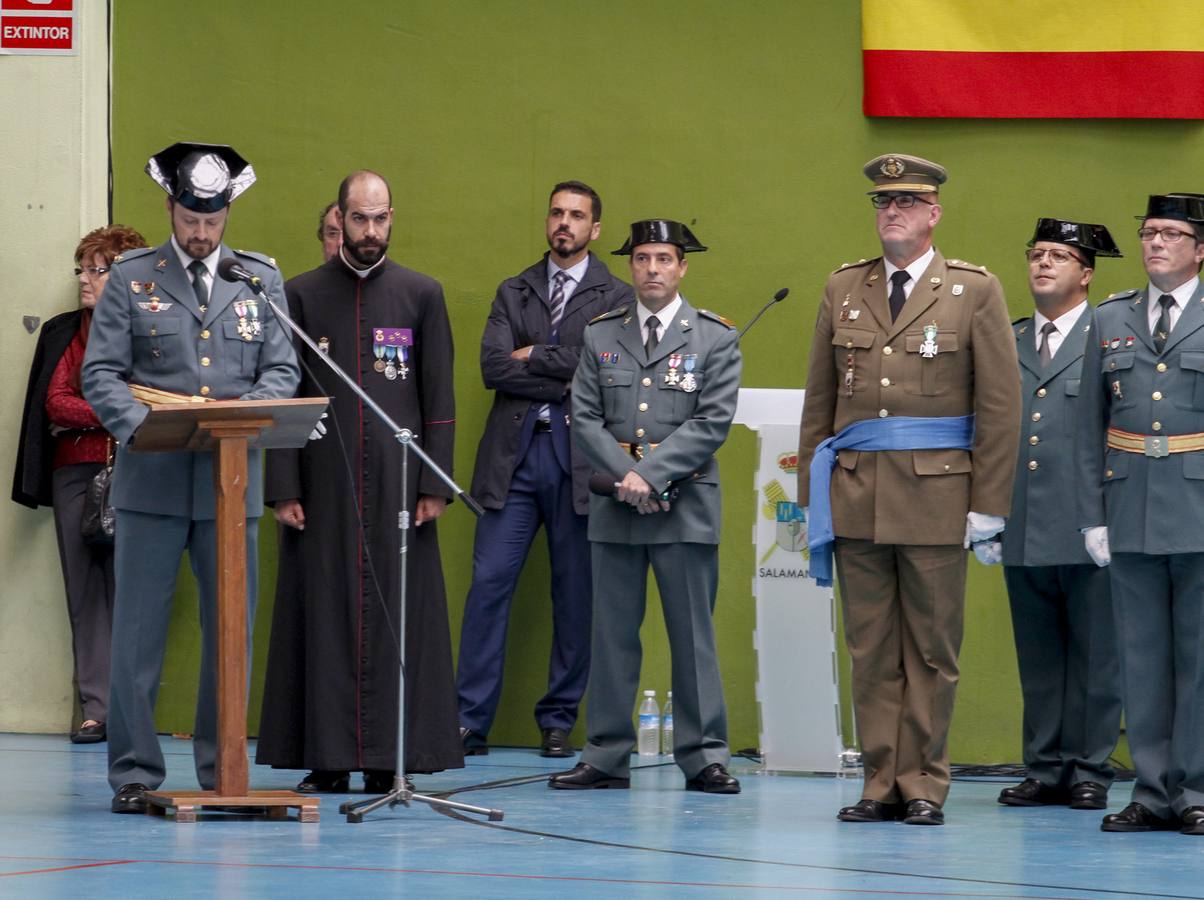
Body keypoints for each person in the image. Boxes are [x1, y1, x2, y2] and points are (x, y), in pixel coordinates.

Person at [797, 154, 1020, 826]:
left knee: (929, 648)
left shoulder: (973, 290)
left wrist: (989, 505)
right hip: (859, 493)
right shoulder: (843, 288)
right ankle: (879, 779)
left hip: (937, 496)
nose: (891, 212)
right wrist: (816, 498)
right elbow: (820, 401)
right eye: (882, 202)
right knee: (870, 649)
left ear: (933, 214)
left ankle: (923, 782)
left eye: (907, 202)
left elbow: (1001, 407)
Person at [81, 142, 299, 814]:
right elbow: (101, 375)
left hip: (230, 488)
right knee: (138, 637)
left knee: (230, 634)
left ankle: (221, 769)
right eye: (189, 218)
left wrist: (249, 407)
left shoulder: (257, 278)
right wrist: (140, 426)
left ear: (227, 211)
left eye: (212, 219)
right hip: (151, 480)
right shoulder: (131, 279)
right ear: (170, 207)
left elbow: (283, 370)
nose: (201, 233)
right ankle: (136, 772)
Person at [257, 170, 463, 793]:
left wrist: (436, 483)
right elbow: (281, 392)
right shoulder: (299, 296)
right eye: (358, 219)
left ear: (392, 218)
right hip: (322, 487)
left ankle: (387, 761)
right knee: (320, 612)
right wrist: (283, 485)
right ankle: (324, 758)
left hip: (402, 486)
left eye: (379, 219)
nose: (369, 231)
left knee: (399, 614)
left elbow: (439, 398)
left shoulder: (421, 294)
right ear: (339, 221)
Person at [549, 219, 743, 795]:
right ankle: (605, 754)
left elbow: (712, 423)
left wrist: (648, 475)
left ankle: (703, 755)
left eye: (663, 259)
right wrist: (627, 476)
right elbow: (582, 416)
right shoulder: (600, 334)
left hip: (684, 509)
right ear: (630, 267)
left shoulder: (714, 337)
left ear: (683, 268)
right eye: (642, 259)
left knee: (692, 636)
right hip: (616, 507)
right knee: (610, 636)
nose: (652, 269)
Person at [456, 181, 633, 758]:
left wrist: (535, 356)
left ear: (595, 229)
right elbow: (492, 368)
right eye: (557, 213)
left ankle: (558, 719)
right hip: (513, 460)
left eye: (577, 215)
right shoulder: (515, 290)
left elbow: (605, 370)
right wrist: (564, 372)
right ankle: (467, 719)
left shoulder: (619, 296)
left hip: (579, 462)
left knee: (574, 593)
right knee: (488, 586)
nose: (564, 223)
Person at [1077, 194, 1204, 836]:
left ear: (1200, 249)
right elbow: (1085, 425)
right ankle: (1153, 790)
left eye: (1171, 234)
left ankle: (1198, 790)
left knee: (1200, 656)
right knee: (1142, 655)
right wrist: (1091, 512)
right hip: (1128, 503)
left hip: (1200, 507)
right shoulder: (1110, 318)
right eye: (1150, 233)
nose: (1156, 243)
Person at [993, 218, 1123, 811]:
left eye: (1060, 256)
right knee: (1039, 653)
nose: (1043, 264)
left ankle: (1089, 766)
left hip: (1087, 517)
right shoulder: (1008, 339)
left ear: (1086, 274)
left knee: (1097, 650)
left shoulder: (1109, 334)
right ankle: (1044, 766)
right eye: (1037, 253)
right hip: (1022, 516)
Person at [12, 223, 147, 745]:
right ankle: (97, 708)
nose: (84, 280)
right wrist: (113, 411)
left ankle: (132, 711)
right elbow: (55, 403)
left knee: (136, 592)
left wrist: (93, 412)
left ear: (127, 275)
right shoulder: (66, 332)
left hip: (139, 473)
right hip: (74, 474)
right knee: (85, 593)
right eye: (81, 269)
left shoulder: (150, 332)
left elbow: (152, 401)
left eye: (97, 269)